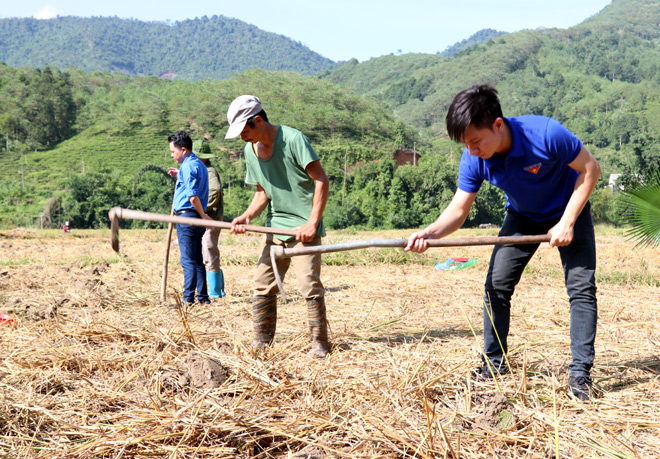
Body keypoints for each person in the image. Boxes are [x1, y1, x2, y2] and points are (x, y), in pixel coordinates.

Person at [405, 85, 601, 401]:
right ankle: (493, 367)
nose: (471, 150)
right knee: (495, 286)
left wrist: (566, 222)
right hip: (523, 217)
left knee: (581, 288)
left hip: (569, 210)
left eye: (475, 141)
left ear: (498, 125)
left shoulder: (547, 133)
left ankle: (580, 376)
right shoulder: (474, 159)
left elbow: (590, 170)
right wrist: (430, 233)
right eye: (465, 144)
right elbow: (458, 209)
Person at [226, 95, 331, 358]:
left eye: (244, 131)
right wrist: (247, 216)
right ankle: (262, 341)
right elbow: (263, 191)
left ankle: (319, 343)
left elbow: (321, 181)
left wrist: (312, 224)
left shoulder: (294, 140)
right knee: (262, 284)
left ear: (258, 120)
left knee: (309, 285)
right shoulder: (251, 151)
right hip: (275, 228)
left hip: (303, 230)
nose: (242, 138)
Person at [168, 130, 211, 307]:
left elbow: (193, 196)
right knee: (197, 259)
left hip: (188, 217)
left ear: (183, 150)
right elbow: (193, 182)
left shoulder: (188, 166)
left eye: (173, 151)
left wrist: (203, 216)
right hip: (194, 218)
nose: (172, 155)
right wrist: (180, 174)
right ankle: (203, 297)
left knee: (188, 260)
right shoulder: (198, 164)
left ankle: (187, 300)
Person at [193, 139, 226, 299]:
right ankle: (216, 289)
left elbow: (216, 190)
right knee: (205, 251)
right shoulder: (199, 169)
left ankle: (214, 292)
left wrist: (202, 208)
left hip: (210, 218)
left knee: (208, 249)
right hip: (203, 217)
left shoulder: (209, 171)